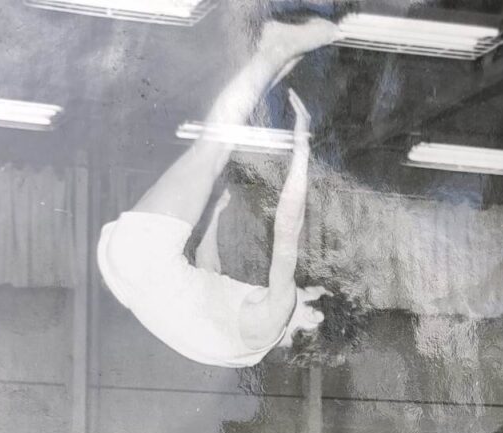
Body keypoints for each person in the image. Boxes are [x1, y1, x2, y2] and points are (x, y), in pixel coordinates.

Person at [97, 21, 337, 367]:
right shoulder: (249, 352)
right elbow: (208, 275)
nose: (309, 286)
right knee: (216, 149)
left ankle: (275, 50)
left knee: (212, 149)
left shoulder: (279, 314)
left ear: (315, 317)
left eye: (317, 292)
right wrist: (212, 218)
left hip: (146, 260)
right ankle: (275, 59)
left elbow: (288, 230)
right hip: (127, 273)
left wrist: (301, 151)